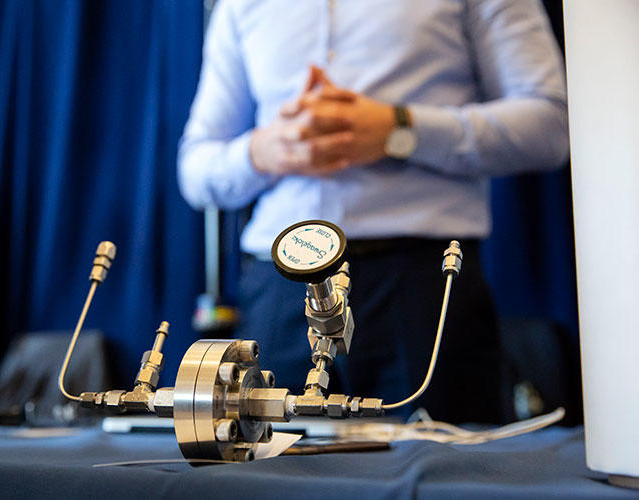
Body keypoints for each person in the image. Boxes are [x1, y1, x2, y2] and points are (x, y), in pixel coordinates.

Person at [177, 0, 568, 423]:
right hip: (279, 288)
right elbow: (196, 169)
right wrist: (264, 151)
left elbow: (549, 126)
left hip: (422, 285)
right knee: (264, 482)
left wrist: (399, 130)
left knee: (441, 478)